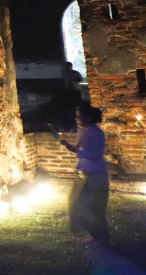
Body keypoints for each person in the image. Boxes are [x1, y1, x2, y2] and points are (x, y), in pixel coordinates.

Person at [57, 104, 110, 245]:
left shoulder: (98, 133)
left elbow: (93, 155)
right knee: (76, 203)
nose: (76, 118)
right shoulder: (82, 131)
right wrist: (67, 144)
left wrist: (74, 150)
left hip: (96, 174)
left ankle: (101, 237)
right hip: (83, 173)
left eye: (79, 115)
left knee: (95, 207)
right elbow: (78, 148)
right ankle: (88, 232)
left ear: (87, 117)